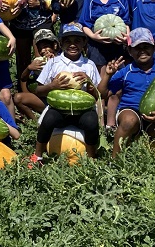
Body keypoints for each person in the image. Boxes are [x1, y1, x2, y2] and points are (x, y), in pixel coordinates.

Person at [100, 28, 155, 156]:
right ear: (130, 51)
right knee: (129, 120)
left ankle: (154, 156)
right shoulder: (126, 71)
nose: (142, 51)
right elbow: (103, 94)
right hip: (130, 109)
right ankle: (115, 159)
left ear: (154, 48)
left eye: (146, 46)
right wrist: (107, 75)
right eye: (137, 47)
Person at [31, 24, 102, 164]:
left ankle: (92, 159)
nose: (73, 45)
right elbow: (38, 91)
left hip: (83, 111)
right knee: (49, 118)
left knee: (91, 122)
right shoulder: (53, 63)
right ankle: (37, 156)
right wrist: (52, 86)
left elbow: (96, 96)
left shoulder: (89, 65)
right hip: (59, 110)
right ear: (61, 43)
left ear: (84, 43)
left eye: (77, 41)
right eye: (68, 41)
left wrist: (89, 83)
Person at [10, 0, 56, 85]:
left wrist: (40, 4)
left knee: (42, 57)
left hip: (41, 22)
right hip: (20, 24)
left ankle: (43, 88)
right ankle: (23, 90)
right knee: (23, 60)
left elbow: (55, 1)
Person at [78, 0, 130, 69]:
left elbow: (126, 22)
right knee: (99, 74)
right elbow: (84, 24)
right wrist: (93, 37)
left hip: (116, 44)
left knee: (116, 72)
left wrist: (126, 38)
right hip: (96, 45)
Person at [14, 29, 60, 119]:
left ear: (55, 45)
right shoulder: (39, 62)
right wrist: (28, 68)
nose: (43, 50)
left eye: (46, 46)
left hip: (60, 99)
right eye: (40, 48)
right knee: (18, 98)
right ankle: (35, 121)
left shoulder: (63, 58)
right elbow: (23, 79)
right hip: (43, 100)